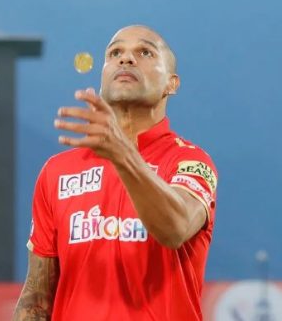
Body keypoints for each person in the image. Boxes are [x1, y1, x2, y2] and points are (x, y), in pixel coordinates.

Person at [12, 25, 218, 321]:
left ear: (171, 84)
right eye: (115, 53)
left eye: (145, 52)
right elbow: (36, 298)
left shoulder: (190, 162)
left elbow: (175, 228)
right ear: (102, 77)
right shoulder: (56, 172)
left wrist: (123, 155)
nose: (126, 59)